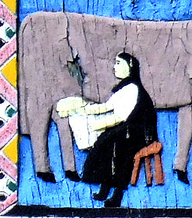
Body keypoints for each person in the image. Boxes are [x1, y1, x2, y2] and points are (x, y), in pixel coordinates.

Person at [55, 52, 158, 209]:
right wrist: (84, 109)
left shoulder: (132, 89)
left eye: (118, 63)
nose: (114, 66)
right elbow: (106, 107)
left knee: (116, 148)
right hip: (127, 129)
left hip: (140, 133)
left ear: (129, 67)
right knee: (106, 141)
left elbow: (119, 118)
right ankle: (105, 186)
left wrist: (95, 126)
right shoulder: (123, 88)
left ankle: (117, 193)